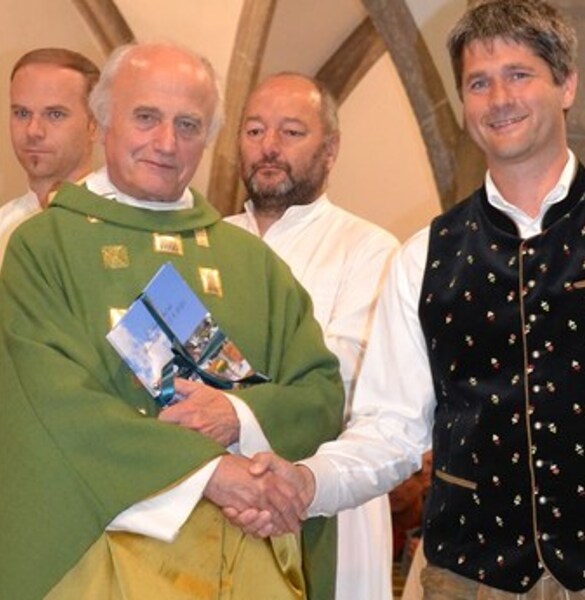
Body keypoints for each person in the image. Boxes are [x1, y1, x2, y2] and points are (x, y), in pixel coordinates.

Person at [227, 1, 585, 598]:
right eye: (478, 83)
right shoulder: (425, 255)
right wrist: (307, 482)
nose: (499, 98)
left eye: (519, 74)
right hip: (470, 575)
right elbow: (391, 429)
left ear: (567, 85)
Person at [0, 42, 344, 600]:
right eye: (146, 117)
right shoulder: (43, 247)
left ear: (209, 139)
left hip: (245, 560)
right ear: (102, 122)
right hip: (99, 566)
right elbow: (52, 402)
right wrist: (208, 473)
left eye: (188, 125)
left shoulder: (251, 261)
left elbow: (321, 395)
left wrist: (239, 417)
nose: (166, 143)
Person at [226, 72, 400, 600]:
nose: (269, 146)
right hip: (217, 491)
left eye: (291, 132)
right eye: (254, 130)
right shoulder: (207, 240)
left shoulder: (369, 249)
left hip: (327, 493)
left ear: (331, 149)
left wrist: (229, 406)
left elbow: (340, 378)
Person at [0, 47, 99, 263]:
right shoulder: (4, 225)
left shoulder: (122, 221)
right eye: (22, 113)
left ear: (93, 124)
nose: (33, 131)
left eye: (55, 114)